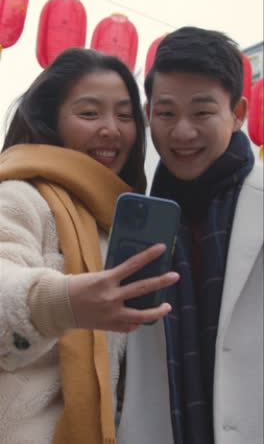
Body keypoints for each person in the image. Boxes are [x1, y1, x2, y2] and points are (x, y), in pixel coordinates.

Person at [0, 47, 179, 444]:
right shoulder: (20, 196)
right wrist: (61, 302)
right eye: (89, 113)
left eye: (124, 115)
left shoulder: (112, 224)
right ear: (51, 121)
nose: (111, 129)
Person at [117, 27, 263, 444]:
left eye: (202, 113)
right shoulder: (133, 218)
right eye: (166, 113)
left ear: (237, 113)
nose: (182, 132)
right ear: (148, 113)